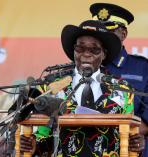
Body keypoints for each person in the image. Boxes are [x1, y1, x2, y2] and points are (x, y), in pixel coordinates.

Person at [20, 20, 144, 156]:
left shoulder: (122, 90)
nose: (86, 54)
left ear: (103, 54)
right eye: (80, 48)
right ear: (74, 51)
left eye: (94, 49)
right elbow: (42, 137)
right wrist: (34, 146)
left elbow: (126, 140)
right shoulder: (50, 88)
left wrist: (135, 144)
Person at [89, 3, 148, 156]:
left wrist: (123, 133)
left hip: (130, 148)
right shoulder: (83, 68)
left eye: (109, 31)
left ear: (123, 34)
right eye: (98, 31)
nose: (102, 36)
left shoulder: (142, 67)